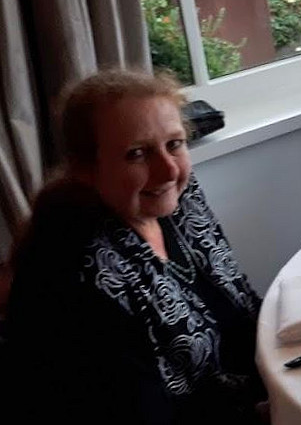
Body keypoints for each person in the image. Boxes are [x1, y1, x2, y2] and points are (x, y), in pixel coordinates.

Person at [6, 70, 266, 424]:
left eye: (174, 144)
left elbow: (241, 303)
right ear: (86, 169)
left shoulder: (180, 201)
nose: (168, 170)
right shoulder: (77, 276)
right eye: (137, 154)